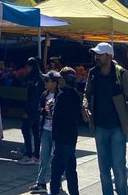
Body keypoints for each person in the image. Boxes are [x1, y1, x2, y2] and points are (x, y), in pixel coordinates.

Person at [82, 42, 128, 195]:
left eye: (99, 54)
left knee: (119, 168)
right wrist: (85, 107)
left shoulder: (121, 74)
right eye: (96, 54)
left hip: (117, 128)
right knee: (103, 169)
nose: (96, 57)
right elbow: (86, 94)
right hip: (99, 127)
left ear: (108, 56)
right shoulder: (93, 73)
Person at [49, 67, 82, 195]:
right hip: (71, 137)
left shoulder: (62, 95)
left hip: (62, 137)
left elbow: (57, 116)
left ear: (64, 79)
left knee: (56, 170)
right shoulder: (75, 95)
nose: (58, 81)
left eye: (60, 79)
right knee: (70, 170)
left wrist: (52, 107)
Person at [29, 69, 60, 194]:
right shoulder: (44, 94)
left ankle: (56, 181)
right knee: (44, 155)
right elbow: (39, 108)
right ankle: (40, 182)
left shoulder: (60, 95)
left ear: (55, 83)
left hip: (57, 130)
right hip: (46, 128)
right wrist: (44, 110)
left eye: (47, 80)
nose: (45, 83)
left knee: (56, 157)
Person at [18, 57, 44, 165]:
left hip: (32, 109)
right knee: (36, 132)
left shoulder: (34, 80)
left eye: (28, 67)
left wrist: (27, 111)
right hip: (37, 109)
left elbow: (33, 97)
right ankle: (36, 155)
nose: (26, 69)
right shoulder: (39, 78)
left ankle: (29, 154)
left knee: (25, 129)